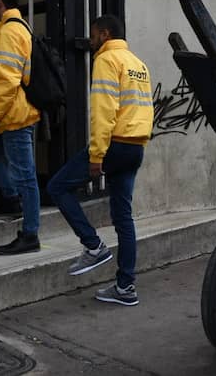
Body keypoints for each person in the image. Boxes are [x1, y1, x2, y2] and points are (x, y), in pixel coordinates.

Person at [47, 15, 153, 306]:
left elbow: (103, 111)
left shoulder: (107, 60)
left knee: (57, 187)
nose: (90, 41)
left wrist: (96, 155)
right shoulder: (137, 63)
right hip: (135, 147)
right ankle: (125, 288)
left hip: (114, 145)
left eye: (93, 35)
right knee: (123, 219)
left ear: (105, 34)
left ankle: (93, 246)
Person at [0, 0, 42, 255]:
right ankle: (9, 195)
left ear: (0, 2)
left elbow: (6, 79)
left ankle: (30, 234)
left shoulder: (10, 31)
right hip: (12, 112)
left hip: (13, 115)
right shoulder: (19, 27)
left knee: (26, 176)